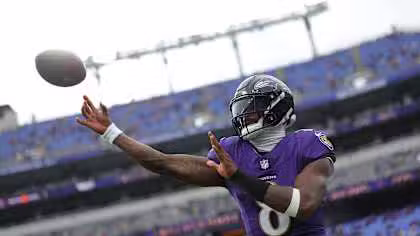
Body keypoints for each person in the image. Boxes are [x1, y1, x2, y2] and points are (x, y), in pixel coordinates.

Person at [77, 74, 335, 236]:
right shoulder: (233, 152)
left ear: (276, 110)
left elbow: (304, 205)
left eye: (251, 109)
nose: (243, 116)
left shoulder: (306, 144)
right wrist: (111, 132)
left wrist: (239, 177)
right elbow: (162, 163)